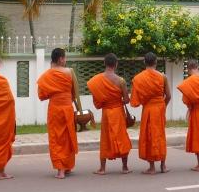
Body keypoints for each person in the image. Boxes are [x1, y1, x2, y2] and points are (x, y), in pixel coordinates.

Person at [87, 53, 132, 175]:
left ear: (104, 64)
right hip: (118, 112)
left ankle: (102, 168)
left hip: (106, 113)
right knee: (121, 137)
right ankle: (125, 167)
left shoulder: (96, 80)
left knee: (105, 139)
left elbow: (97, 101)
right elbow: (127, 100)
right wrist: (118, 101)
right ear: (116, 64)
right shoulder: (121, 81)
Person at [37, 48, 78, 179]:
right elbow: (74, 93)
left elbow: (41, 95)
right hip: (67, 108)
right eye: (65, 58)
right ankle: (67, 167)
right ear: (60, 59)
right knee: (67, 137)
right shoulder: (69, 72)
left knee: (57, 138)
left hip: (55, 109)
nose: (65, 61)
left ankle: (61, 169)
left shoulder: (46, 76)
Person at [131, 52, 171, 174]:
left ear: (144, 62)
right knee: (160, 135)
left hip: (148, 109)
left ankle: (152, 167)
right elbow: (168, 96)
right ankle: (163, 166)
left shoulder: (138, 78)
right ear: (156, 62)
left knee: (149, 136)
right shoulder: (162, 76)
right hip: (159, 109)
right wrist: (162, 106)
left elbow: (135, 101)